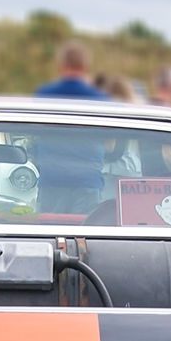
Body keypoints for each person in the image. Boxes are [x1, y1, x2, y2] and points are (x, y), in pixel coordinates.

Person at [33, 42, 110, 214]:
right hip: (87, 181)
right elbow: (109, 139)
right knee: (85, 236)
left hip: (52, 181)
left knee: (50, 234)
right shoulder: (100, 99)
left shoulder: (44, 95)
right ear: (86, 66)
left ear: (61, 65)